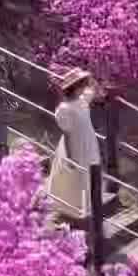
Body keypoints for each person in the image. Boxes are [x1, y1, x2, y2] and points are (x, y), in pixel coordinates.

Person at [47, 67, 101, 220]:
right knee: (75, 175)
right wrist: (69, 156)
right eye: (81, 85)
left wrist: (88, 77)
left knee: (89, 172)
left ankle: (85, 207)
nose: (84, 87)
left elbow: (95, 89)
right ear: (74, 88)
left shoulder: (82, 101)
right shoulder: (65, 108)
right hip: (75, 144)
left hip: (88, 141)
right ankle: (72, 209)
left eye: (83, 85)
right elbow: (68, 133)